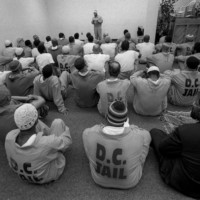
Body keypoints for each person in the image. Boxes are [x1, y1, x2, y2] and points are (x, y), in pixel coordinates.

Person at [83, 100, 151, 189]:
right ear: (126, 120)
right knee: (143, 143)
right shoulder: (139, 136)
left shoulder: (90, 133)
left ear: (107, 116)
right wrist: (131, 128)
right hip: (130, 182)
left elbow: (86, 136)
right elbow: (146, 134)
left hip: (98, 179)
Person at [5, 103, 72, 184]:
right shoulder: (48, 142)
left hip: (24, 173)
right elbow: (67, 140)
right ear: (36, 119)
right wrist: (66, 129)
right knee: (58, 122)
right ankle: (52, 133)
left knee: (37, 126)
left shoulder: (9, 137)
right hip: (48, 175)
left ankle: (46, 133)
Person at [150, 102, 200, 198]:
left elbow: (163, 149)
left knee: (155, 133)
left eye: (196, 103)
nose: (193, 105)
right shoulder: (186, 131)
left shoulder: (185, 130)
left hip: (185, 182)